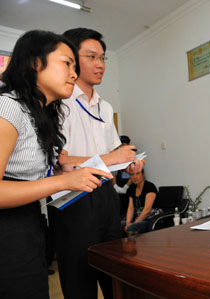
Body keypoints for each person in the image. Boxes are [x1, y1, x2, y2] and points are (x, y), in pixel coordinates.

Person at [0, 30, 112, 299]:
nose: (73, 73)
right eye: (66, 63)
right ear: (35, 63)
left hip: (29, 224)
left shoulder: (39, 114)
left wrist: (63, 170)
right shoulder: (8, 108)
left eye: (75, 66)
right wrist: (62, 181)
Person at [52, 28, 143, 299]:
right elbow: (60, 160)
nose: (100, 64)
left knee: (115, 272)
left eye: (103, 57)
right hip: (72, 198)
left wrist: (127, 163)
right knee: (80, 281)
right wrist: (110, 158)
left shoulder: (105, 106)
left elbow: (112, 151)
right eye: (91, 56)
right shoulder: (59, 103)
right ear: (71, 60)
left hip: (105, 194)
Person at [123, 169, 160, 234]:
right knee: (119, 226)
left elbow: (147, 210)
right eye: (132, 174)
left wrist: (134, 223)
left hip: (151, 218)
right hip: (138, 217)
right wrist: (128, 223)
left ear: (143, 175)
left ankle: (131, 244)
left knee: (132, 227)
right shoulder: (132, 188)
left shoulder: (150, 186)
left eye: (138, 173)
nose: (135, 177)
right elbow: (131, 208)